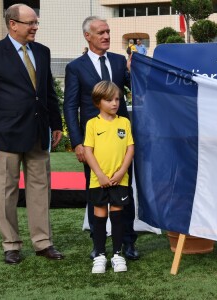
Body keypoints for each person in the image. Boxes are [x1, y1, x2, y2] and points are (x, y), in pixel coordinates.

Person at [0, 3, 63, 265]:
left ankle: (43, 242)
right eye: (30, 23)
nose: (35, 27)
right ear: (13, 24)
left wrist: (55, 124)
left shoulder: (43, 52)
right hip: (4, 136)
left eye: (36, 23)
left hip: (37, 134)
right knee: (6, 192)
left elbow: (48, 93)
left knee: (41, 190)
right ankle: (10, 244)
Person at [64, 16, 139, 261]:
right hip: (92, 144)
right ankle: (98, 245)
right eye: (101, 32)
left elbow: (135, 88)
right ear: (88, 36)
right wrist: (77, 143)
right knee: (95, 193)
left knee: (124, 191)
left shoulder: (119, 62)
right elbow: (70, 106)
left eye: (108, 31)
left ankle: (128, 242)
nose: (106, 36)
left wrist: (134, 71)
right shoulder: (75, 67)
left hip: (121, 141)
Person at [84, 81, 134, 273]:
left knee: (118, 216)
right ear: (98, 102)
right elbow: (88, 151)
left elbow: (130, 148)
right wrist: (100, 175)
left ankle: (117, 255)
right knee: (99, 217)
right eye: (109, 100)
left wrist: (121, 172)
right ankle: (100, 255)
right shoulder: (92, 124)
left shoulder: (125, 122)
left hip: (120, 180)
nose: (115, 103)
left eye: (117, 99)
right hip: (99, 181)